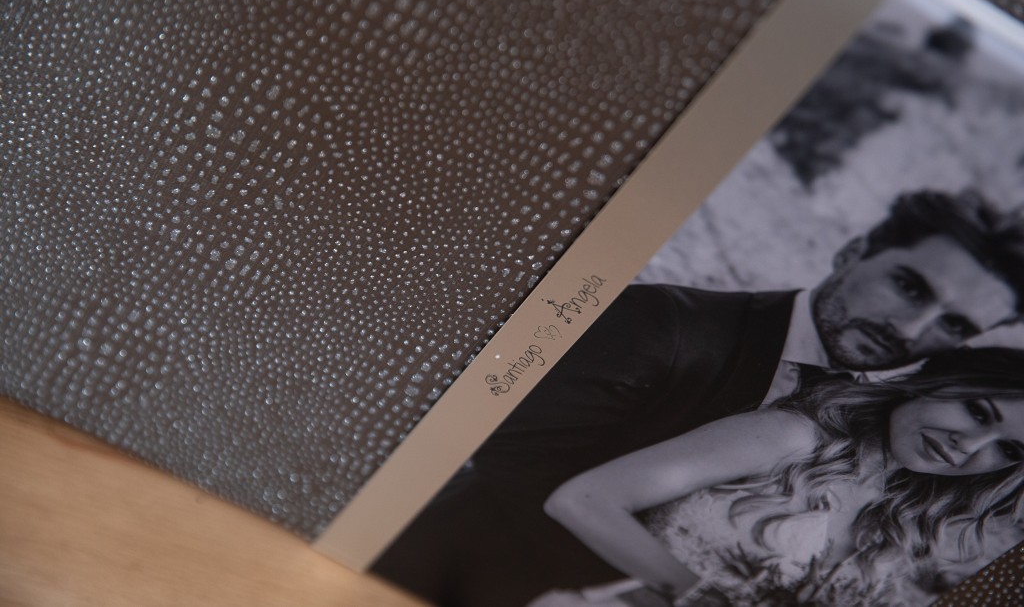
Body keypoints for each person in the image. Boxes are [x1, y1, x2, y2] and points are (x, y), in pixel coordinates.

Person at [372, 190, 1024, 606]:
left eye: (953, 324)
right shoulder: (664, 324)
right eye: (908, 286)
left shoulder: (869, 432)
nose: (910, 329)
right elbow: (509, 463)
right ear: (854, 252)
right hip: (447, 578)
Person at [533, 347, 1024, 607]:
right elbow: (583, 500)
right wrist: (700, 597)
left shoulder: (905, 527)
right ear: (934, 384)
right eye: (978, 412)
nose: (969, 447)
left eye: (1007, 449)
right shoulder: (792, 437)